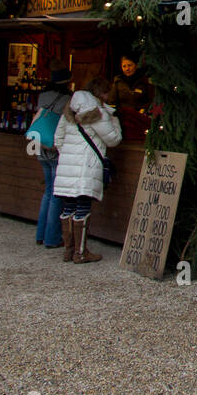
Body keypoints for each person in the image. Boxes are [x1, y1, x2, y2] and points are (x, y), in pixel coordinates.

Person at [53, 77, 122, 264]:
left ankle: (69, 251)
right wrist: (114, 119)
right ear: (103, 93)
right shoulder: (98, 113)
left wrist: (67, 156)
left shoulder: (69, 110)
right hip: (86, 166)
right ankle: (81, 252)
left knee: (68, 207)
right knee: (83, 207)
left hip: (67, 166)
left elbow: (58, 138)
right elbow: (113, 139)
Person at [32, 68, 72, 250]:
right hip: (56, 148)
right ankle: (52, 237)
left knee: (48, 192)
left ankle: (41, 234)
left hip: (41, 147)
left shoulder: (43, 96)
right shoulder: (67, 100)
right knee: (57, 195)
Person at [105, 52, 153, 141]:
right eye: (124, 66)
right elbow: (112, 102)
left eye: (129, 65)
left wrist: (143, 110)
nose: (127, 69)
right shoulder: (118, 82)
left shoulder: (144, 81)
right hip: (123, 120)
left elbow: (151, 100)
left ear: (136, 65)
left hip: (140, 119)